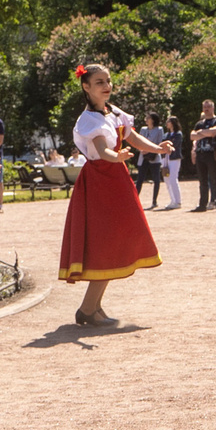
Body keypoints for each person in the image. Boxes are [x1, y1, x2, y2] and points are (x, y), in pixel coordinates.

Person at [59, 63, 166, 326]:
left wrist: (157, 149)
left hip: (115, 180)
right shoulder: (89, 120)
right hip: (100, 182)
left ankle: (92, 306)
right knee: (105, 242)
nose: (106, 86)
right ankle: (88, 308)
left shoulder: (113, 112)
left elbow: (134, 138)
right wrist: (115, 157)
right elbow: (101, 150)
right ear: (86, 87)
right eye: (99, 82)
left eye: (107, 81)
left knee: (115, 239)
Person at [190, 98, 216, 212]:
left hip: (212, 153)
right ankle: (202, 204)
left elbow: (214, 132)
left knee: (215, 179)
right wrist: (206, 133)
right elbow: (192, 136)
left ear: (213, 108)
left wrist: (200, 133)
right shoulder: (199, 123)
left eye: (208, 107)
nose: (206, 109)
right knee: (202, 180)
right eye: (204, 107)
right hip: (200, 153)